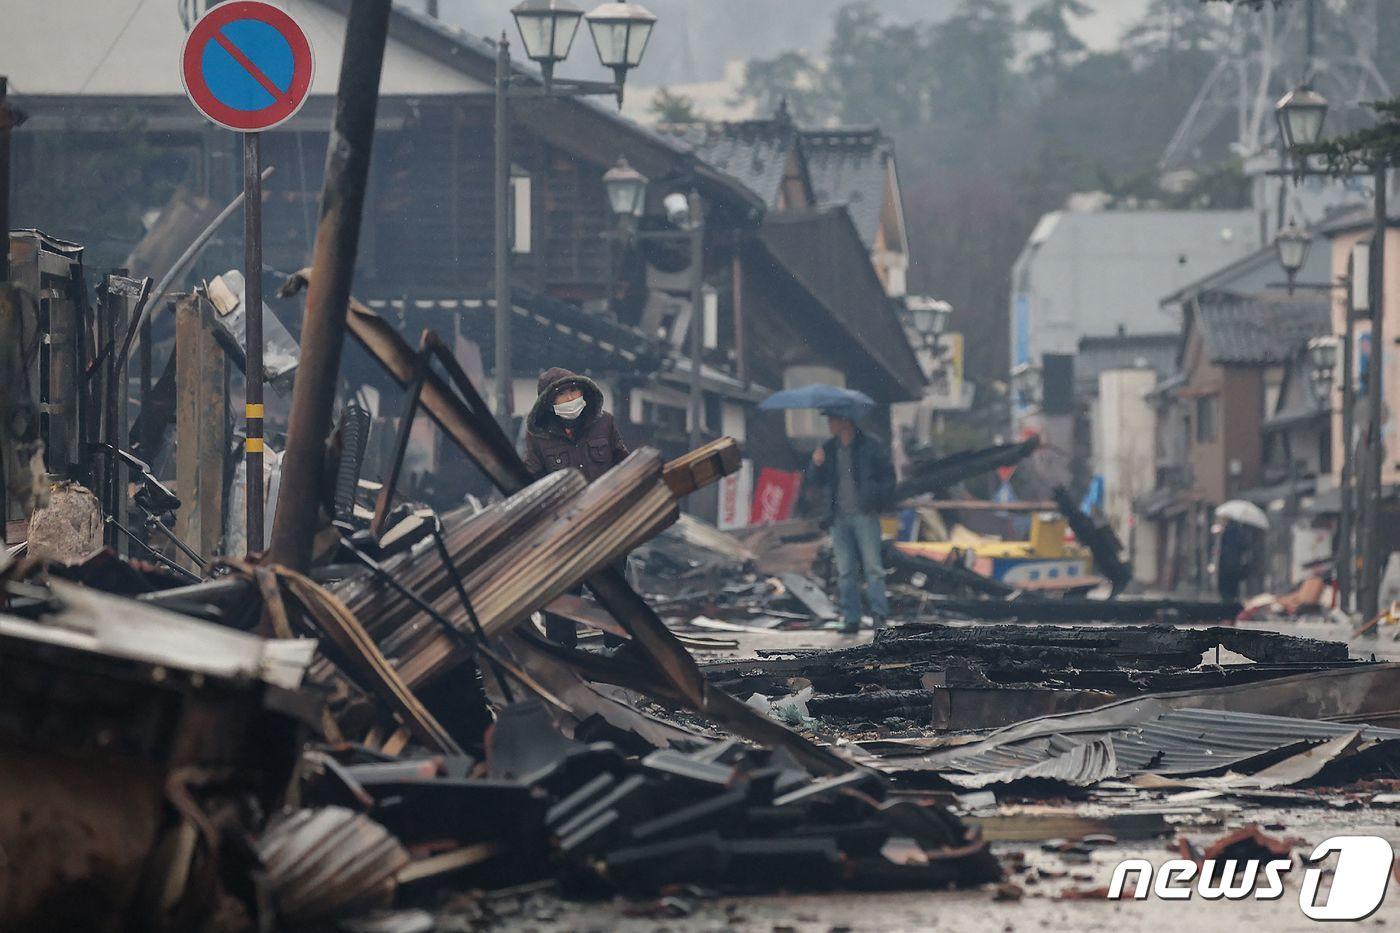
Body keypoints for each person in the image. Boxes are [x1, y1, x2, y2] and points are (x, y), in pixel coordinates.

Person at [523, 367, 630, 647]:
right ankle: (566, 666)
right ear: (548, 402)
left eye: (573, 390)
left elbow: (625, 466)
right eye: (561, 394)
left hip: (606, 527)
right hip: (564, 533)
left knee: (614, 598)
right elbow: (529, 483)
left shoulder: (604, 423)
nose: (570, 398)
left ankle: (619, 657)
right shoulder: (538, 436)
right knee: (563, 602)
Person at [805, 409, 895, 633]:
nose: (829, 425)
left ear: (845, 420)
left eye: (832, 420)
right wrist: (816, 464)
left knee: (873, 568)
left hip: (865, 514)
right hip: (838, 517)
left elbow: (888, 476)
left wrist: (876, 500)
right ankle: (851, 618)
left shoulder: (870, 445)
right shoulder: (828, 449)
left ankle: (879, 616)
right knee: (845, 571)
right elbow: (815, 482)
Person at [1217, 518, 1252, 602]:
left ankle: (1226, 602)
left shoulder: (1225, 533)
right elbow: (1245, 548)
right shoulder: (1240, 534)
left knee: (1225, 591)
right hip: (1235, 567)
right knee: (1233, 590)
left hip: (1225, 567)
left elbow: (1221, 550)